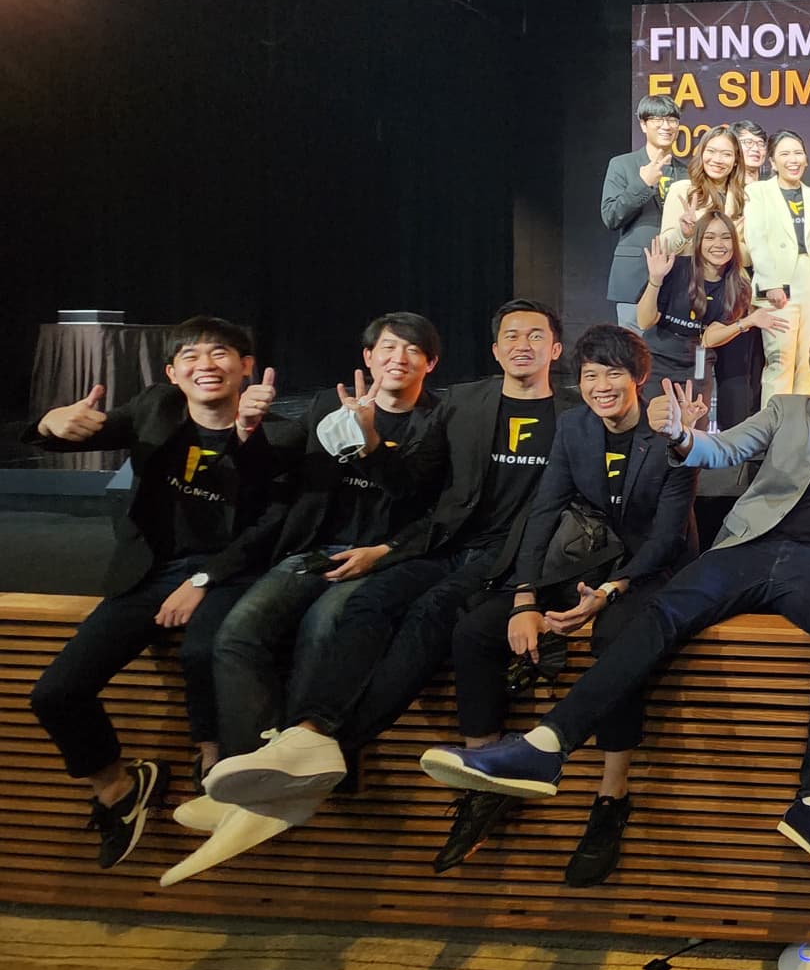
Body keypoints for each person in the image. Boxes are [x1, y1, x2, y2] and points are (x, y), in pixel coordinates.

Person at [416, 331, 810, 879]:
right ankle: (545, 745)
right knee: (661, 614)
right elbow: (722, 448)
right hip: (750, 546)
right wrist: (680, 436)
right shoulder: (784, 411)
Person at [201, 302, 575, 825]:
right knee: (367, 603)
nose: (523, 344)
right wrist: (371, 443)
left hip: (508, 558)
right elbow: (412, 483)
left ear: (555, 349)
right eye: (511, 336)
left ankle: (329, 746)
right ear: (495, 350)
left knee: (427, 617)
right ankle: (305, 737)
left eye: (535, 336)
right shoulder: (464, 403)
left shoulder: (575, 414)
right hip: (442, 545)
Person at [26, 318, 296, 868]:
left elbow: (272, 525)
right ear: (173, 373)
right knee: (54, 693)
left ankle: (214, 766)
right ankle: (118, 790)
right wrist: (49, 423)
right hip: (149, 574)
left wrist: (203, 580)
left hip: (232, 572)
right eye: (191, 356)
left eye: (220, 353)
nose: (206, 365)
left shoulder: (281, 432)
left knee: (203, 651)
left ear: (246, 366)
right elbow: (84, 429)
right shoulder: (156, 408)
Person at [434, 325, 697, 886]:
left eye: (613, 374)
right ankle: (486, 781)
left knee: (614, 641)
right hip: (584, 562)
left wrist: (610, 591)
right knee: (476, 631)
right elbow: (545, 510)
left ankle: (611, 800)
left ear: (639, 378)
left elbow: (667, 538)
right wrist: (525, 594)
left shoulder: (669, 434)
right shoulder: (575, 426)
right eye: (590, 375)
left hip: (646, 570)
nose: (601, 386)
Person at [207, 313, 446, 786]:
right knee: (236, 633)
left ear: (430, 363)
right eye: (388, 348)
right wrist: (247, 428)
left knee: (324, 630)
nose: (399, 358)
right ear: (368, 357)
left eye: (413, 350)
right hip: (313, 552)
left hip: (380, 559)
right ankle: (254, 764)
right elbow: (271, 471)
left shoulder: (440, 420)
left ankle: (306, 766)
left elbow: (417, 495)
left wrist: (370, 441)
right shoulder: (325, 406)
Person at [637, 217, 777, 430]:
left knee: (694, 431)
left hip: (696, 365)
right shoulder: (676, 268)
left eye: (726, 238)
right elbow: (644, 321)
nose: (718, 244)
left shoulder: (738, 286)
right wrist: (655, 279)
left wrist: (746, 322)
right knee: (653, 429)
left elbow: (709, 338)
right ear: (699, 241)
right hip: (657, 359)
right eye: (710, 237)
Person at [744, 129, 810, 400]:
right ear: (772, 162)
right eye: (785, 154)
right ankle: (775, 422)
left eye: (798, 153)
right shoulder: (757, 192)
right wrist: (770, 284)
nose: (793, 160)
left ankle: (805, 422)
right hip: (778, 281)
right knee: (779, 359)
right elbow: (756, 240)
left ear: (806, 159)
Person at [600, 98, 687, 329]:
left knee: (675, 347)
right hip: (635, 276)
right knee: (634, 347)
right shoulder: (622, 165)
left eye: (672, 120)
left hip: (678, 278)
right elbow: (611, 216)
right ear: (643, 124)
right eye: (658, 119)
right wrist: (643, 184)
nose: (666, 126)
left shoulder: (687, 172)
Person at [657, 126, 748, 258]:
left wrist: (731, 241)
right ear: (701, 154)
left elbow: (751, 256)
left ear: (736, 161)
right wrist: (683, 234)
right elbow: (663, 248)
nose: (717, 160)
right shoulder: (682, 190)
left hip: (731, 270)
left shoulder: (745, 197)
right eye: (711, 151)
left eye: (726, 154)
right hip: (690, 269)